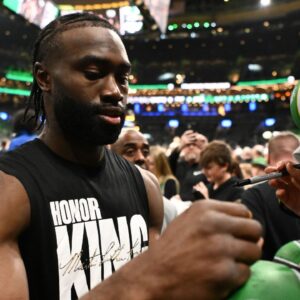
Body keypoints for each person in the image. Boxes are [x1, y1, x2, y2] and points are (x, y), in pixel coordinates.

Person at [0, 13, 262, 300]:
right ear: (44, 77)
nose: (115, 91)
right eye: (93, 73)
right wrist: (151, 277)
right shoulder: (10, 190)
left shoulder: (145, 186)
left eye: (123, 78)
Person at [241, 132, 300, 260]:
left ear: (267, 158)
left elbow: (251, 247)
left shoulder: (254, 195)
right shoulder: (254, 195)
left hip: (273, 275)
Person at [168, 129, 208, 201]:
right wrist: (180, 146)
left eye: (195, 145)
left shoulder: (206, 167)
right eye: (188, 145)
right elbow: (167, 164)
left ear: (201, 149)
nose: (191, 147)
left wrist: (206, 146)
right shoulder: (179, 166)